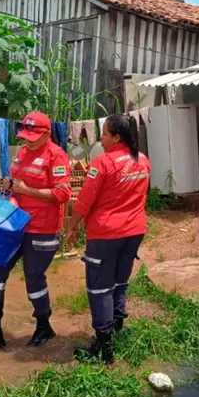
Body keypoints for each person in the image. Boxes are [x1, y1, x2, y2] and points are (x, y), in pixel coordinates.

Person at [0, 111, 72, 349]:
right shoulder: (21, 152)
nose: (28, 140)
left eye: (33, 136)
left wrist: (26, 190)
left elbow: (63, 195)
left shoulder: (57, 156)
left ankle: (44, 326)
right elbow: (14, 180)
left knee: (34, 277)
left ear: (47, 133)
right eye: (25, 136)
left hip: (42, 228)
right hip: (14, 225)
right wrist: (10, 187)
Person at [64, 113, 151, 364]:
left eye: (103, 135)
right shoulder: (143, 160)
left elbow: (84, 201)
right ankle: (117, 327)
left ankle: (104, 349)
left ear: (116, 136)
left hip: (106, 234)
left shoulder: (102, 163)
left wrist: (71, 227)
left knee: (99, 287)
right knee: (120, 281)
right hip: (134, 231)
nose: (100, 140)